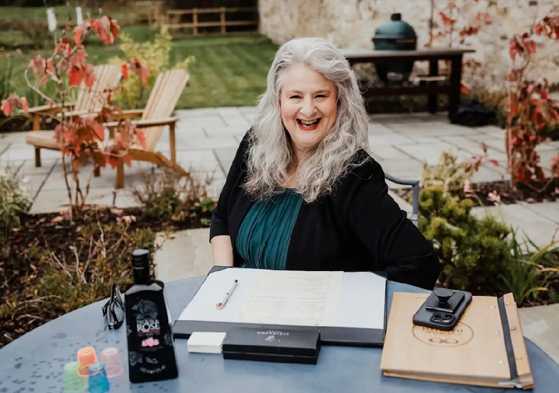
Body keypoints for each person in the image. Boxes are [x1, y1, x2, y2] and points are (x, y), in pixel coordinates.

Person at [210, 37, 440, 289]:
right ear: (278, 101)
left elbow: (419, 265)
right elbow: (221, 218)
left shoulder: (355, 174)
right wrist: (223, 280)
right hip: (238, 304)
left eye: (321, 95)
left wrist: (341, 302)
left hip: (311, 320)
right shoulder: (257, 144)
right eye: (295, 96)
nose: (308, 110)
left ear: (339, 101)